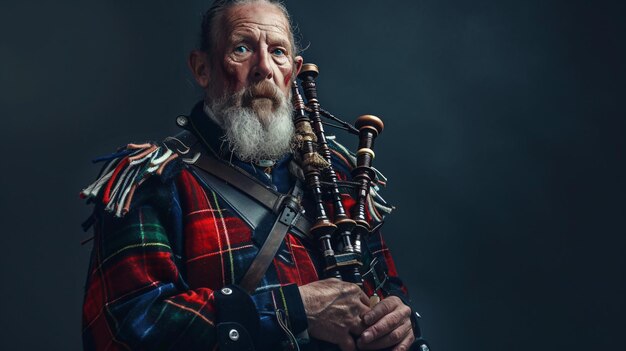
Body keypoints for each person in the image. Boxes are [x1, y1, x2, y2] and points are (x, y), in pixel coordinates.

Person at [80, 1, 429, 350]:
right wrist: (290, 309)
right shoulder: (152, 179)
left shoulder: (337, 175)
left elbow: (387, 289)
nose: (264, 68)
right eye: (242, 48)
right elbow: (125, 327)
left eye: (278, 52)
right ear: (202, 68)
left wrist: (399, 323)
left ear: (292, 72)